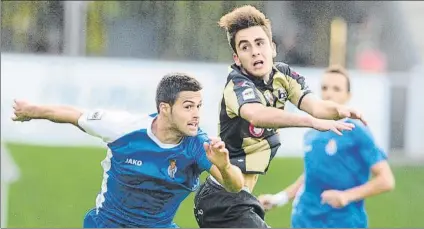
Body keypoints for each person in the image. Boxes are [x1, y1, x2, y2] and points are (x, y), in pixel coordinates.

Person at [193, 5, 367, 228]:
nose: (255, 51)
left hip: (238, 199)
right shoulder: (237, 84)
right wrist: (311, 122)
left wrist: (338, 110)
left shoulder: (283, 75)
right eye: (245, 47)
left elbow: (314, 105)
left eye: (260, 43)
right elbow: (256, 114)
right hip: (222, 199)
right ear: (237, 58)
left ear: (272, 48)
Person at [11, 73, 244, 228]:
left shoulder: (198, 145)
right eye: (188, 107)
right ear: (165, 108)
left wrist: (224, 165)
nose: (196, 114)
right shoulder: (124, 128)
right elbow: (75, 115)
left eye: (199, 107)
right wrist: (33, 110)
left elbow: (235, 186)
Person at [258, 66, 395, 228]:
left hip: (343, 222)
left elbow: (386, 180)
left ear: (348, 95)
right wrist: (278, 199)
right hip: (305, 220)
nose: (329, 93)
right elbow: (311, 175)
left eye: (337, 89)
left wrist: (346, 196)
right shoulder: (313, 132)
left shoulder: (356, 131)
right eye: (325, 88)